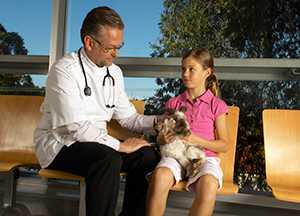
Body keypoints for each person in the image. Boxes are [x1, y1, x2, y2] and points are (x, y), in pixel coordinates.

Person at [34, 6, 160, 216]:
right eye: (110, 48)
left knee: (146, 156)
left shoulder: (115, 73)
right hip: (60, 144)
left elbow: (128, 117)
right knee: (108, 159)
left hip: (99, 143)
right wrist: (120, 145)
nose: (116, 54)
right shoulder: (64, 70)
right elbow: (76, 128)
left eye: (119, 46)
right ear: (89, 42)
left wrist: (159, 121)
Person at [146, 48, 229, 216]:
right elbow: (162, 138)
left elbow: (224, 145)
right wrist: (162, 139)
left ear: (207, 72)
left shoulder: (217, 105)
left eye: (192, 69)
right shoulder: (173, 103)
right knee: (160, 176)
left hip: (204, 158)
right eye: (183, 69)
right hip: (175, 156)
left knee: (209, 184)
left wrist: (196, 140)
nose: (185, 73)